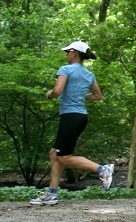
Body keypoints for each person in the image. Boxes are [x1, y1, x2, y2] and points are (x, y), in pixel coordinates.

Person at [30, 41, 114, 205]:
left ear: (74, 53)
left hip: (70, 116)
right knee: (55, 154)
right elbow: (98, 96)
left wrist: (50, 95)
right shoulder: (89, 74)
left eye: (67, 52)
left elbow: (57, 91)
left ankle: (102, 169)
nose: (66, 55)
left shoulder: (65, 69)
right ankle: (52, 194)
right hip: (81, 117)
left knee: (64, 157)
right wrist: (78, 96)